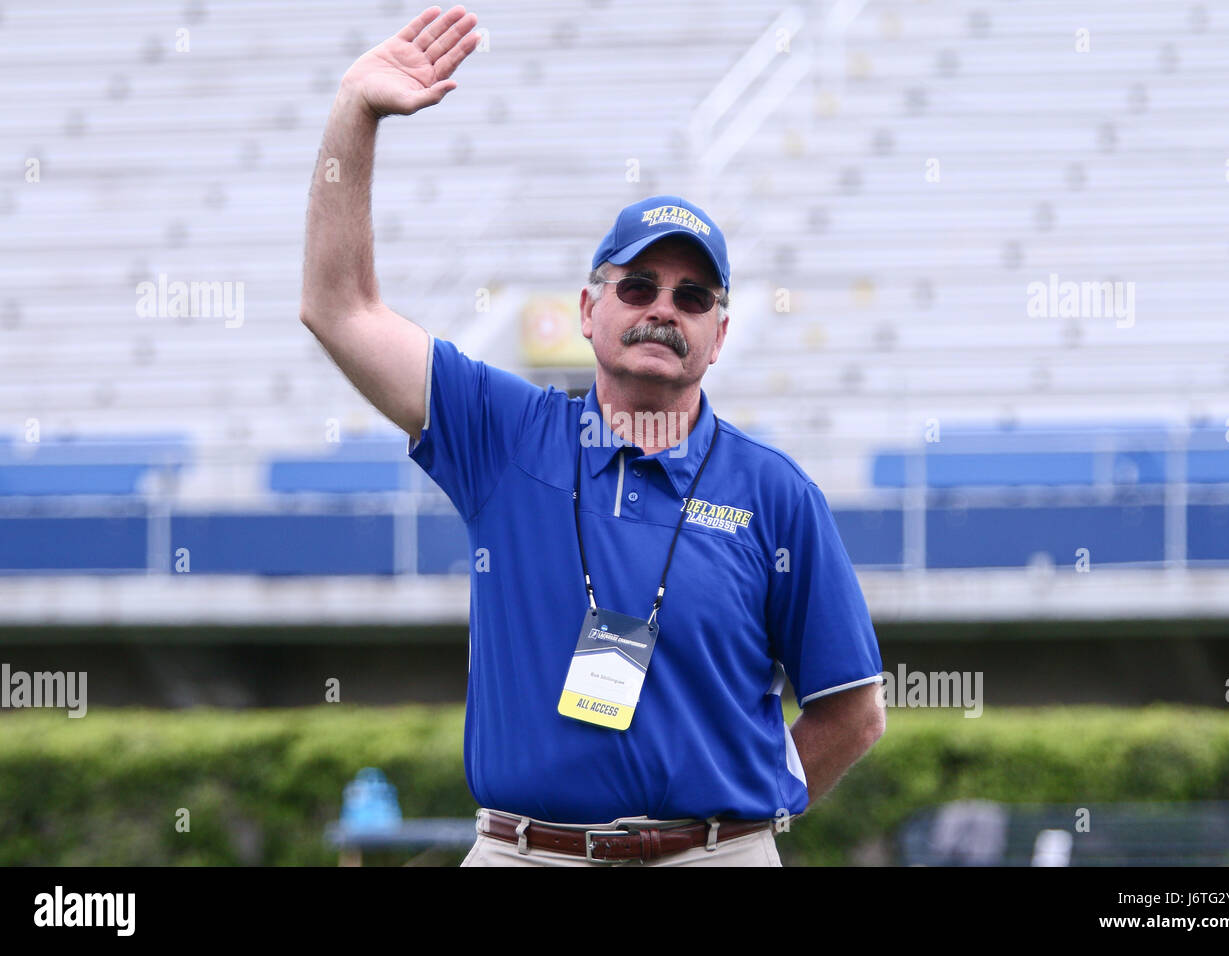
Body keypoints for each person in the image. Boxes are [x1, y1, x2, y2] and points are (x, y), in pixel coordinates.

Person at [300, 6, 885, 867]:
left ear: (719, 336)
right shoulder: (501, 432)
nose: (662, 310)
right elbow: (338, 308)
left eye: (693, 298)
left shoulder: (776, 493)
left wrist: (740, 821)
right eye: (638, 284)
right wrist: (355, 110)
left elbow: (854, 711)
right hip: (522, 853)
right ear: (587, 310)